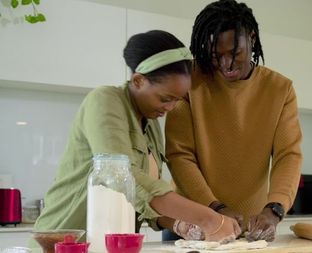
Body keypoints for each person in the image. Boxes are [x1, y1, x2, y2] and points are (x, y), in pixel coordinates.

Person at [33, 30, 241, 243]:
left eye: (175, 100)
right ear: (139, 80)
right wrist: (208, 218)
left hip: (111, 245)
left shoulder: (150, 123)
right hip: (64, 242)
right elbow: (124, 176)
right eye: (165, 98)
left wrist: (179, 223)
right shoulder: (105, 100)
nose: (169, 108)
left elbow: (144, 200)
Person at [165, 0, 303, 242]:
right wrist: (215, 208)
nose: (226, 65)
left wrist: (274, 210)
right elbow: (179, 156)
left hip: (250, 228)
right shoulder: (190, 83)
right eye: (216, 56)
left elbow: (288, 156)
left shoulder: (280, 90)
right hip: (193, 224)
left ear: (251, 38)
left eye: (234, 53)